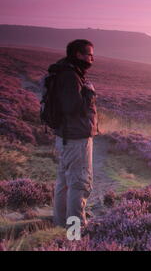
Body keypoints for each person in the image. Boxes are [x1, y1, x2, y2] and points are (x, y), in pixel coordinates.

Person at [48, 39, 98, 227]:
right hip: (76, 139)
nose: (92, 58)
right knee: (80, 183)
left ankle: (61, 225)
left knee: (64, 182)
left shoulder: (63, 71)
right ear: (77, 54)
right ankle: (75, 233)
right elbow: (73, 107)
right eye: (89, 54)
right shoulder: (71, 76)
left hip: (65, 137)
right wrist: (90, 93)